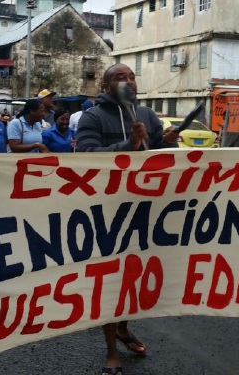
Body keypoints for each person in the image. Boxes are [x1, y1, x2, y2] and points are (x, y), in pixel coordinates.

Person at [76, 63, 179, 375]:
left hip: (143, 208)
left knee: (131, 277)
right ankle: (111, 353)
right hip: (106, 210)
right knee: (109, 281)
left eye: (131, 76)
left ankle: (122, 328)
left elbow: (157, 152)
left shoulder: (146, 115)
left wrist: (167, 141)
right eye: (119, 77)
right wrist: (128, 146)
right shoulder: (93, 116)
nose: (128, 81)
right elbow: (86, 156)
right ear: (106, 86)